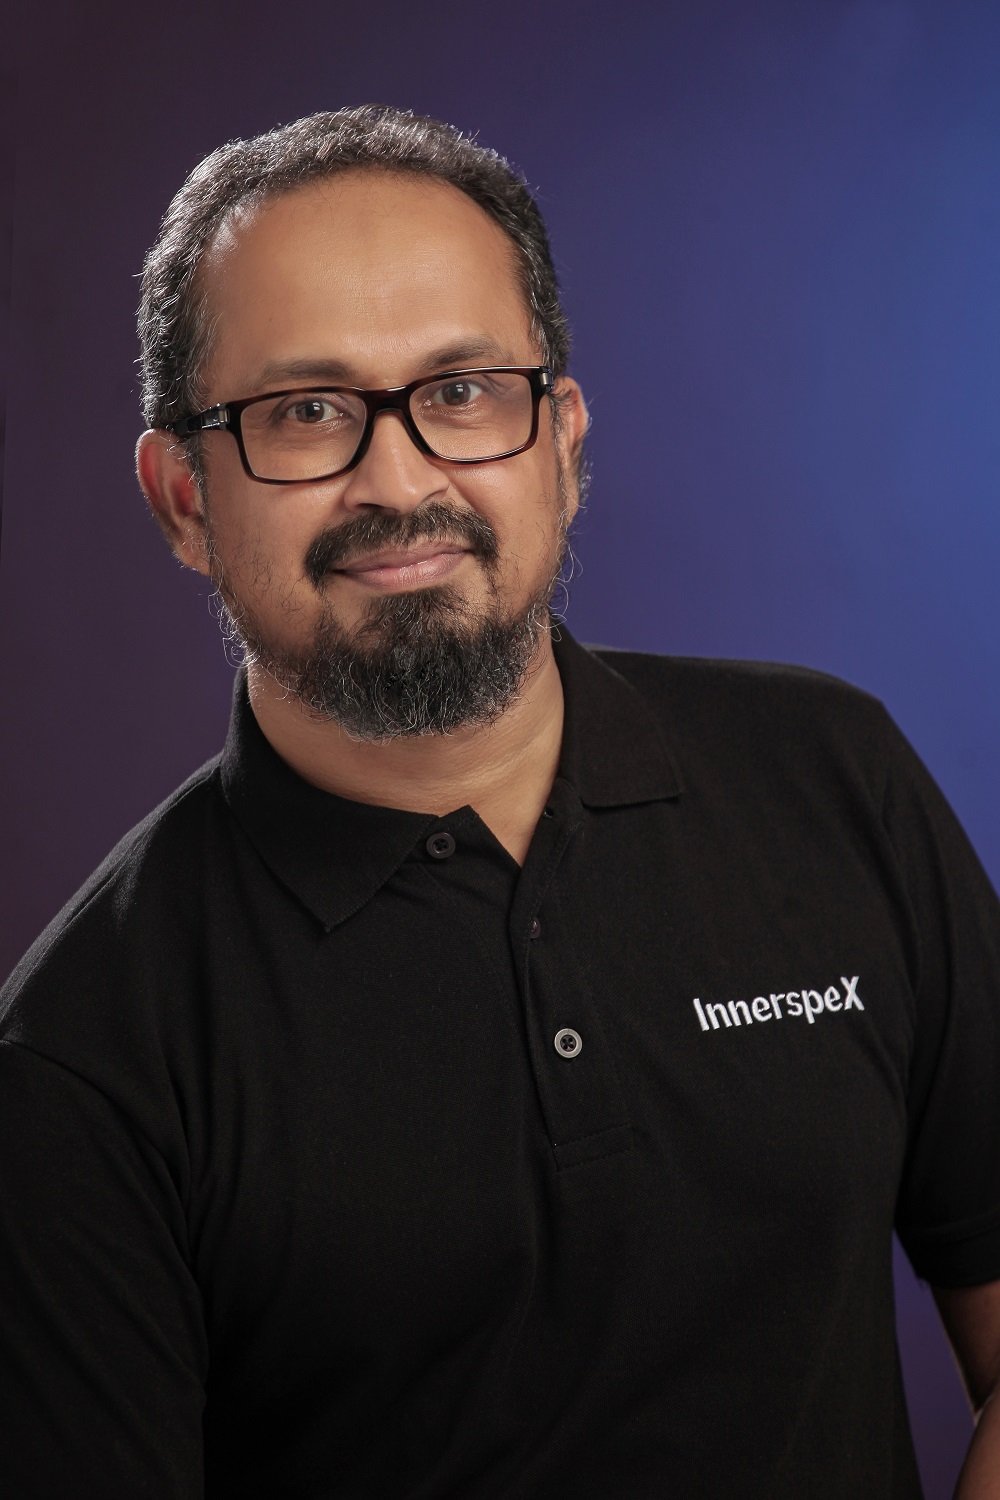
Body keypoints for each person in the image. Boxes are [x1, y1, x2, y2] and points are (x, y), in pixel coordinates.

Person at [1, 104, 999, 1499]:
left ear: (562, 442)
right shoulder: (81, 1059)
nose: (399, 479)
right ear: (182, 498)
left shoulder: (836, 779)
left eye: (462, 390)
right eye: (306, 412)